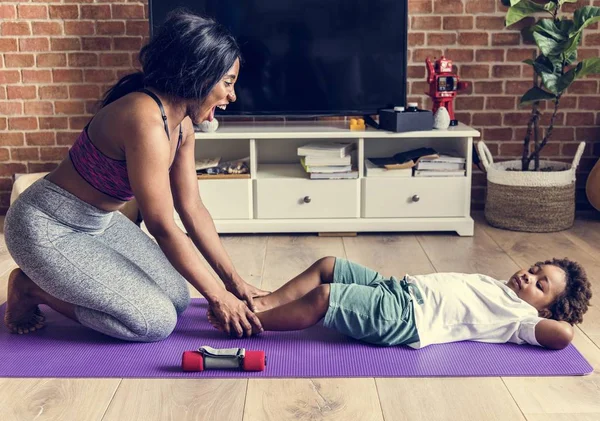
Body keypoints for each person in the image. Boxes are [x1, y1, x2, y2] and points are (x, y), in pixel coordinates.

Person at [3, 10, 268, 341]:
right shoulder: (144, 118)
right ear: (199, 73)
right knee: (153, 322)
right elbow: (161, 225)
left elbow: (193, 209)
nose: (232, 96)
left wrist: (233, 284)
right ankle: (31, 290)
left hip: (100, 223)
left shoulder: (183, 126)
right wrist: (218, 297)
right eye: (227, 82)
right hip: (46, 226)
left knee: (178, 298)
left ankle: (51, 284)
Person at [208, 256, 592, 350]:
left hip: (407, 317)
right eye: (533, 269)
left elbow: (562, 335)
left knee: (326, 297)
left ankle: (250, 322)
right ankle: (263, 301)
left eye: (540, 285)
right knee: (330, 266)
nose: (528, 276)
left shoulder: (521, 318)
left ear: (544, 309)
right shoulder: (503, 290)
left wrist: (552, 318)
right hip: (398, 290)